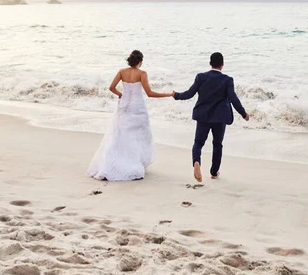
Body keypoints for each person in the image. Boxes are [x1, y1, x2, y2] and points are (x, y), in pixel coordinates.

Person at [87, 50, 173, 181]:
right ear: (140, 62)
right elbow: (149, 93)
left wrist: (121, 95)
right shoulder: (142, 73)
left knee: (120, 134)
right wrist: (167, 94)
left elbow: (111, 87)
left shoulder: (122, 72)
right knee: (137, 136)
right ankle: (133, 163)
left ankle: (113, 163)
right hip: (138, 107)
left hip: (124, 105)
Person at [173, 52, 249, 182]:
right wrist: (243, 113)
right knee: (217, 144)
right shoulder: (227, 80)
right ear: (222, 65)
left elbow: (190, 93)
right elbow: (233, 99)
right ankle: (214, 172)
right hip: (220, 118)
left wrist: (176, 95)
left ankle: (196, 161)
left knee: (198, 142)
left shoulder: (201, 77)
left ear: (210, 63)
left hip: (203, 116)